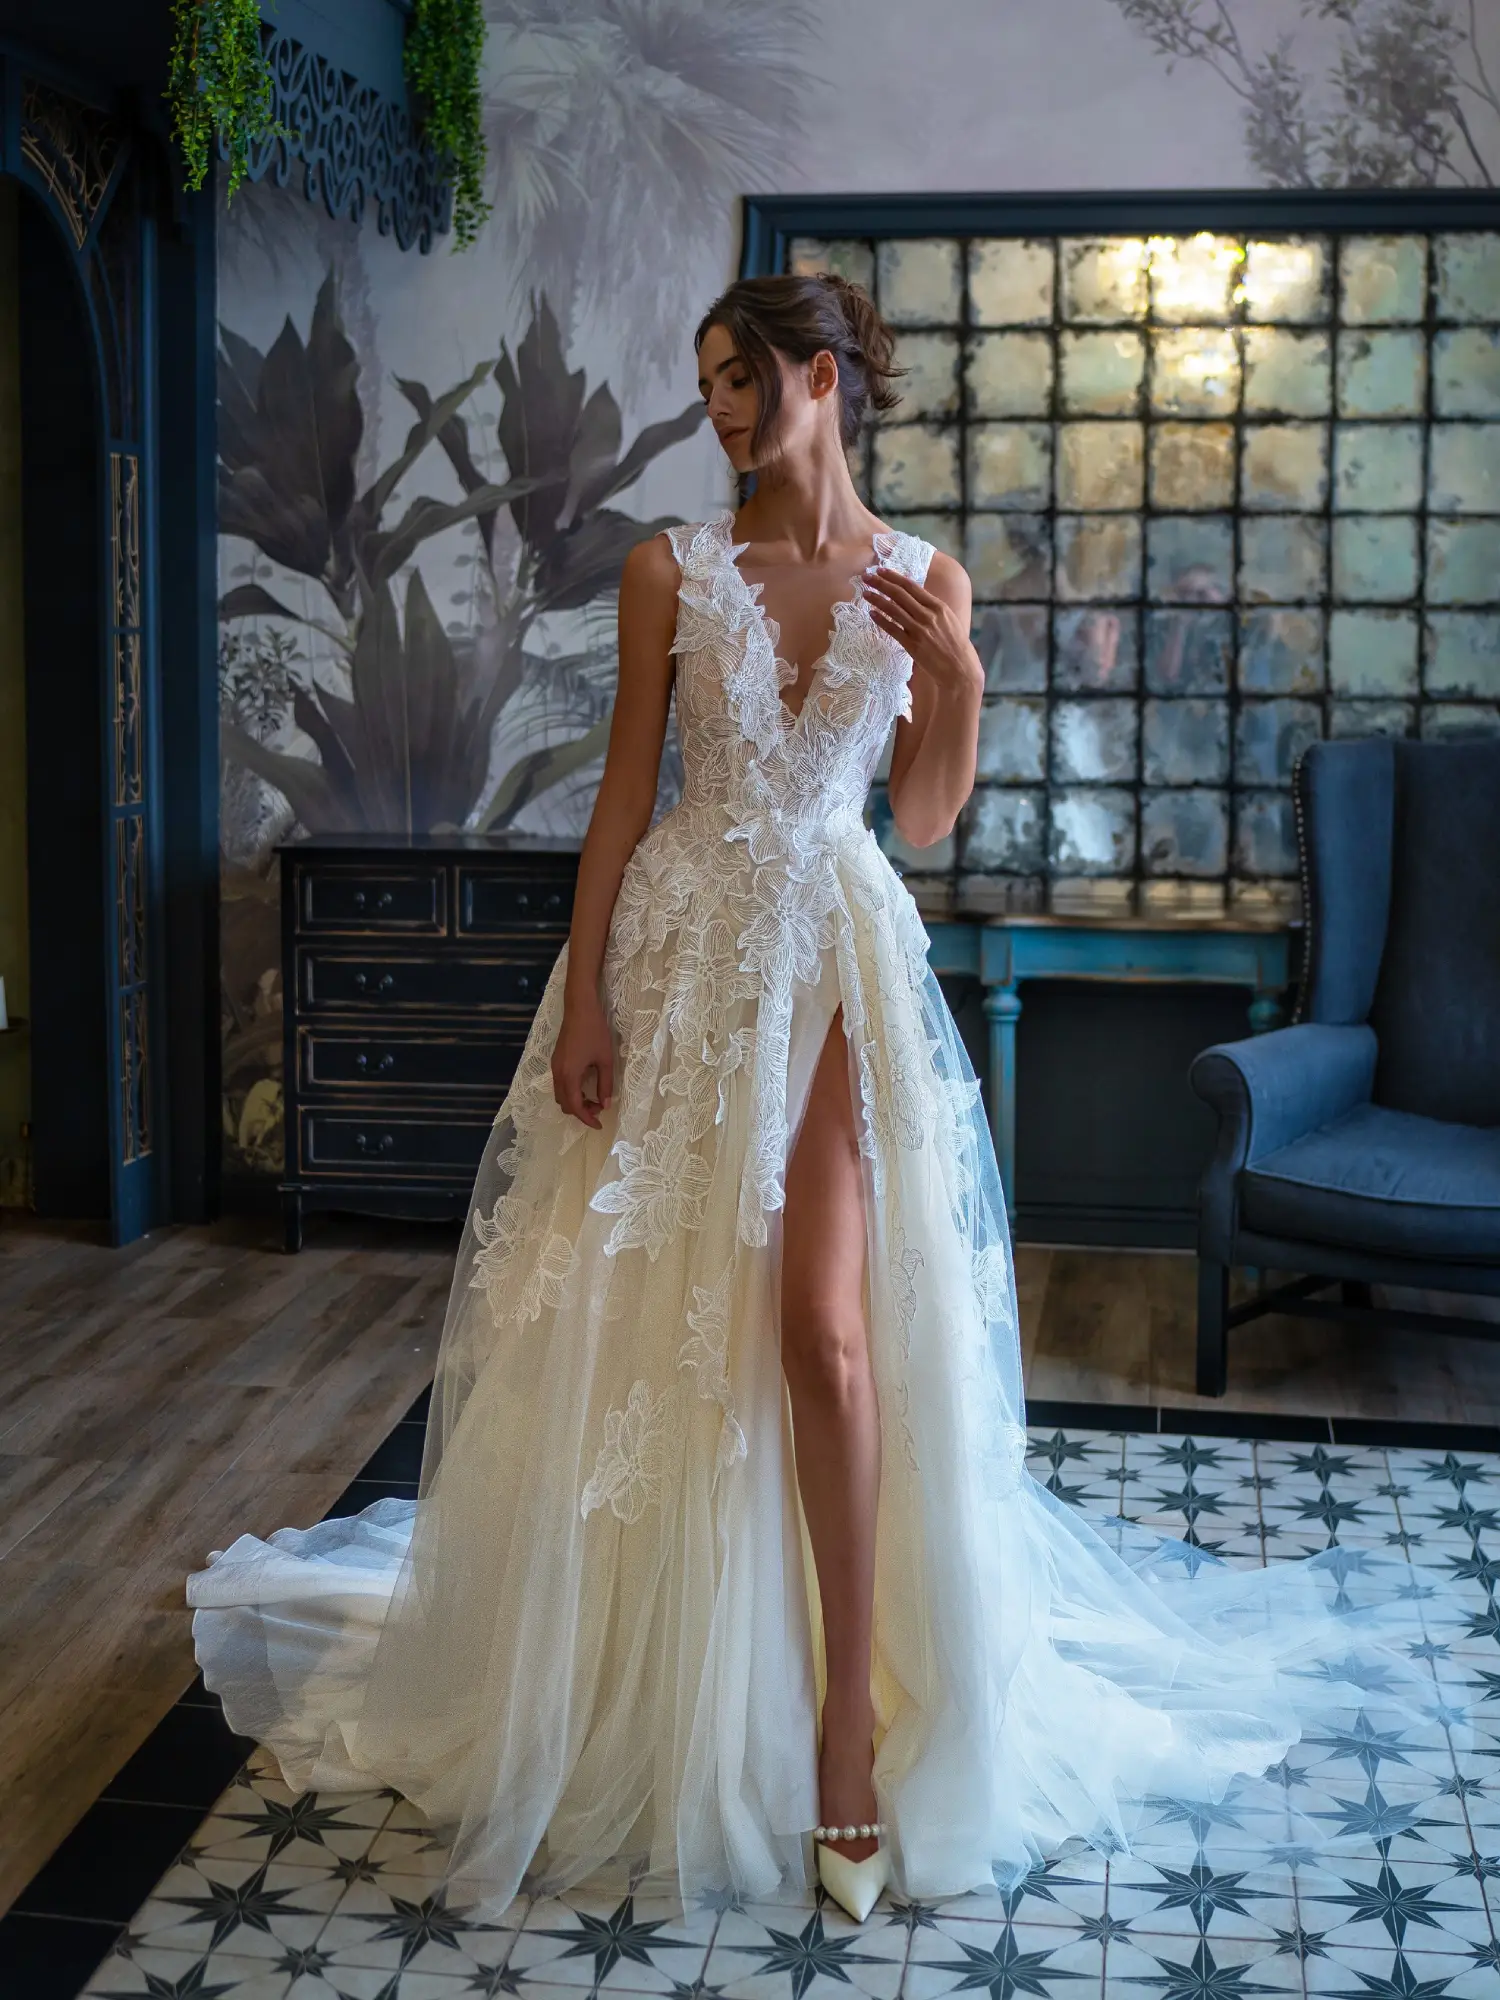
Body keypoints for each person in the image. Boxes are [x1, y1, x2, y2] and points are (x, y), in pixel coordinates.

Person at [189, 273, 1455, 1928]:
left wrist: (965, 685)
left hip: (840, 958)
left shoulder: (923, 581)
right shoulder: (672, 571)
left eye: (742, 379)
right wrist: (585, 1000)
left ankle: (849, 1733)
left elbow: (921, 818)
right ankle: (649, 1668)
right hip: (685, 952)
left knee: (827, 1330)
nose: (717, 409)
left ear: (824, 378)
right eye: (705, 380)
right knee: (660, 1321)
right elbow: (626, 794)